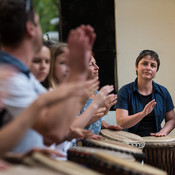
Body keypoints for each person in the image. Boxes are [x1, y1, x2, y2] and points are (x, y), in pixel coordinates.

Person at [0, 0, 97, 153]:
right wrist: (77, 73)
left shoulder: (22, 76)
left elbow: (48, 133)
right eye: (39, 24)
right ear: (30, 29)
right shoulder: (10, 77)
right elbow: (54, 131)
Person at [116, 50, 175, 137]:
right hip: (130, 141)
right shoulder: (124, 91)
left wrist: (163, 132)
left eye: (153, 65)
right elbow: (121, 122)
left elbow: (171, 119)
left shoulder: (163, 92)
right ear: (136, 66)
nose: (148, 68)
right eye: (144, 64)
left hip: (156, 141)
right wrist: (142, 114)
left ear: (156, 70)